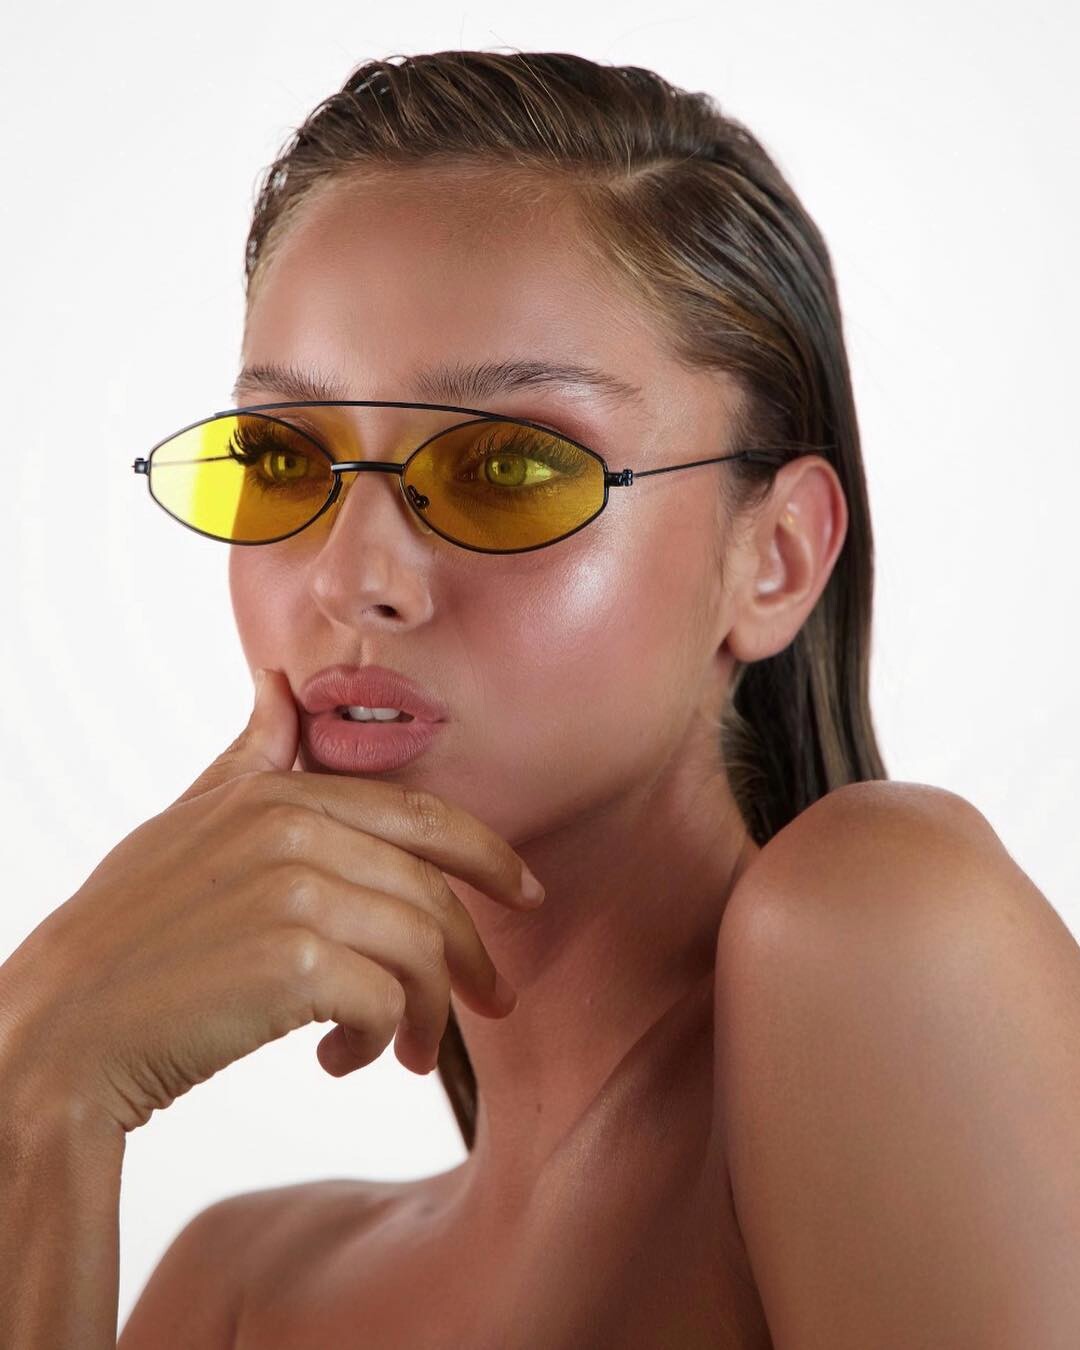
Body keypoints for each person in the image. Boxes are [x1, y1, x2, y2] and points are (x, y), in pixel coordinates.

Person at [5, 49, 1074, 1350]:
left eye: (510, 465)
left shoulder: (879, 921)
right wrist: (42, 1080)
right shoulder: (232, 1292)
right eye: (283, 459)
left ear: (776, 558)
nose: (353, 577)